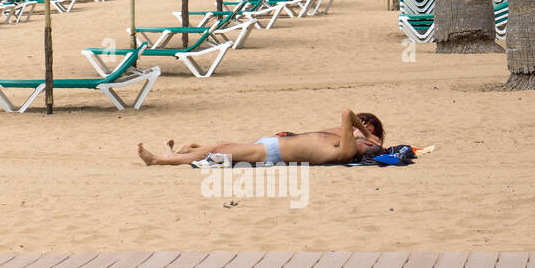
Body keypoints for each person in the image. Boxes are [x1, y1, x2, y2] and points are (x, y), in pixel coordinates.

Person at [138, 110, 385, 167]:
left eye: (368, 134)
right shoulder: (340, 141)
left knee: (218, 151)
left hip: (273, 153)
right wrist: (367, 135)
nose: (364, 132)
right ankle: (173, 154)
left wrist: (366, 136)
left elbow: (346, 114)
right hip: (273, 146)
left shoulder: (345, 150)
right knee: (220, 147)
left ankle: (158, 160)